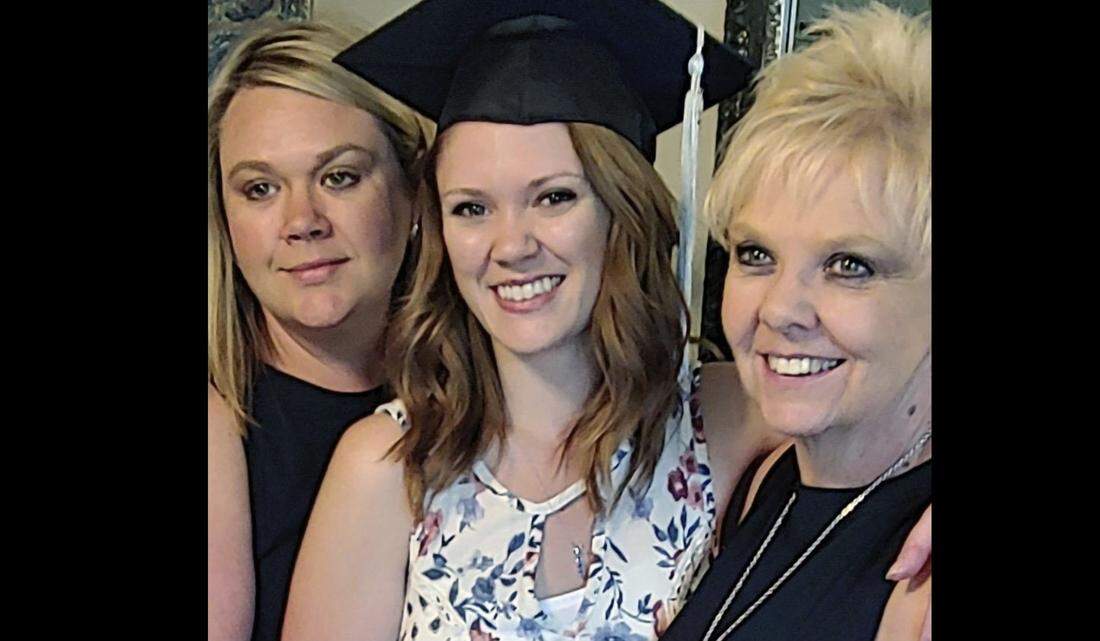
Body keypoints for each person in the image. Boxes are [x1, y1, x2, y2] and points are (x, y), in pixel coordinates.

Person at [283, 2, 932, 640]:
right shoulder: (389, 466)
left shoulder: (736, 419)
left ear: (621, 211)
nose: (511, 245)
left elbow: (890, 424)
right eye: (471, 208)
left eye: (555, 196)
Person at [658, 4, 933, 640]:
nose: (780, 308)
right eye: (756, 255)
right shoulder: (767, 481)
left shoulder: (920, 580)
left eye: (849, 265)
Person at [207, 21, 431, 641]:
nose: (302, 221)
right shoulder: (219, 424)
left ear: (412, 195)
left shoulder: (493, 403)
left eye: (339, 177)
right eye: (260, 189)